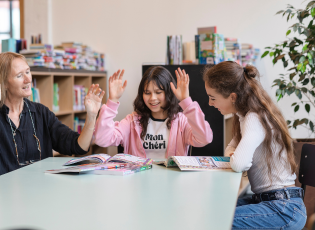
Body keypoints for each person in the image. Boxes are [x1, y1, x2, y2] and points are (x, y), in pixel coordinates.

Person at [203, 61, 306, 230]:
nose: (210, 103)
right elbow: (231, 148)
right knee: (213, 210)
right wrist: (233, 155)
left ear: (233, 97)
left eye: (213, 98)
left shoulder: (254, 118)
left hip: (284, 209)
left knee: (216, 220)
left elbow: (239, 163)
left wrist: (234, 157)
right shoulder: (244, 115)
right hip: (271, 202)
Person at [0, 52, 105, 182]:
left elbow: (79, 146)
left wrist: (92, 116)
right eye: (20, 75)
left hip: (36, 191)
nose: (28, 79)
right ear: (4, 83)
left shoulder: (41, 112)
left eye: (28, 72)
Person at [93, 66, 212, 159]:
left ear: (169, 93)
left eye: (158, 92)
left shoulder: (181, 121)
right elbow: (102, 139)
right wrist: (112, 101)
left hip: (172, 183)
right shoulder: (132, 121)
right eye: (147, 92)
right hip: (138, 183)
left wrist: (186, 102)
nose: (152, 98)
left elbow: (204, 138)